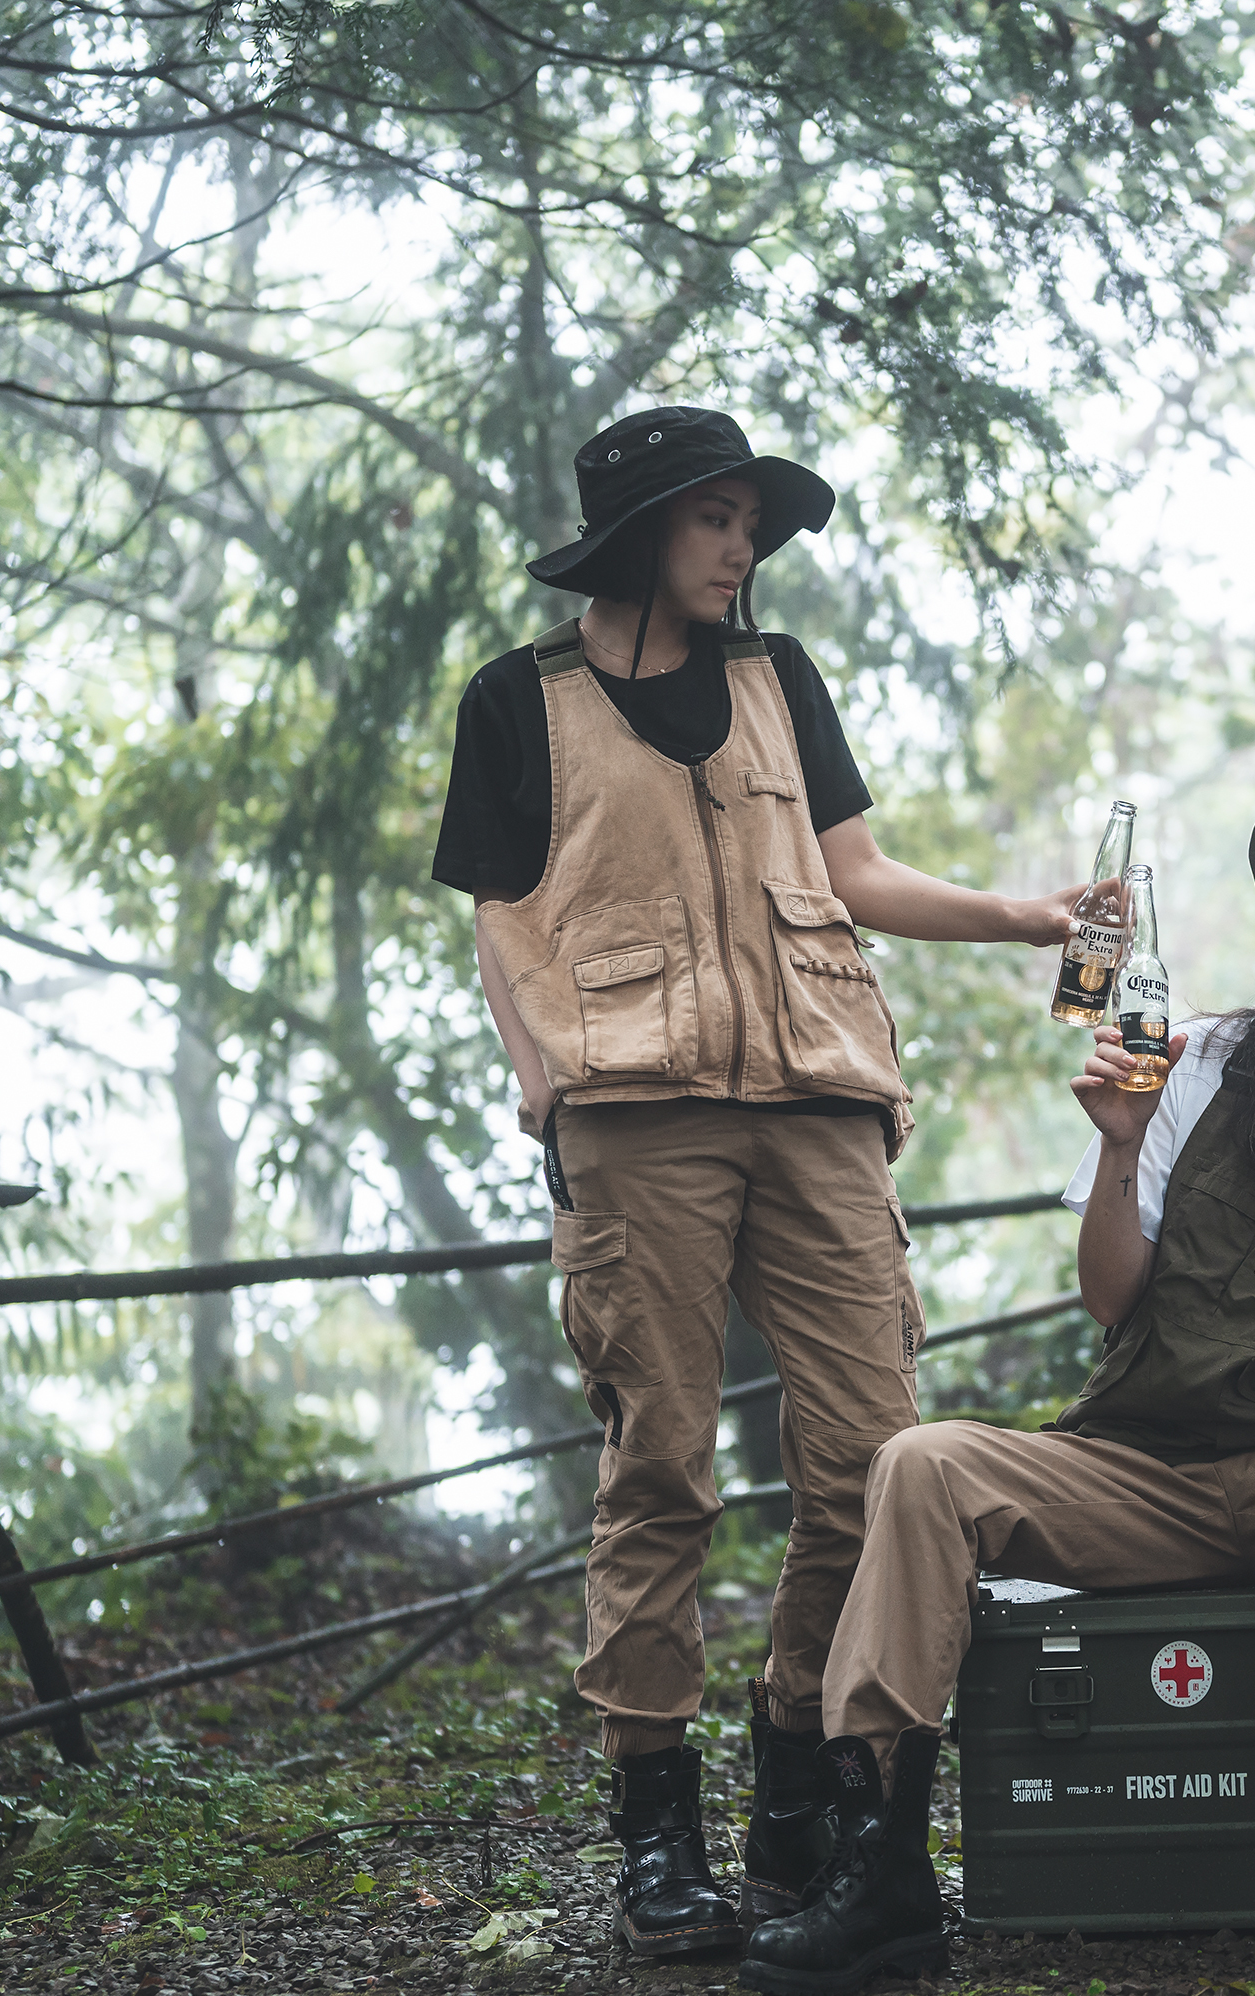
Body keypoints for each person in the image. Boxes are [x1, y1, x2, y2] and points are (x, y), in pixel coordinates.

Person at [431, 406, 1083, 1956]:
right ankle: (657, 1830)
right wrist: (537, 1076)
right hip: (633, 1112)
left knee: (877, 1459)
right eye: (714, 519)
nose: (743, 547)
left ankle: (800, 1779)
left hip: (819, 1101)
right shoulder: (519, 698)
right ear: (640, 532)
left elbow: (853, 873)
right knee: (662, 1465)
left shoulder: (779, 677)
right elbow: (501, 914)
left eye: (749, 521)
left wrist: (1027, 916)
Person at [739, 797, 1255, 1996]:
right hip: (1143, 1475)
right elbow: (1112, 1299)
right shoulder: (1203, 1060)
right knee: (920, 1463)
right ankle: (880, 1870)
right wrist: (1124, 1147)